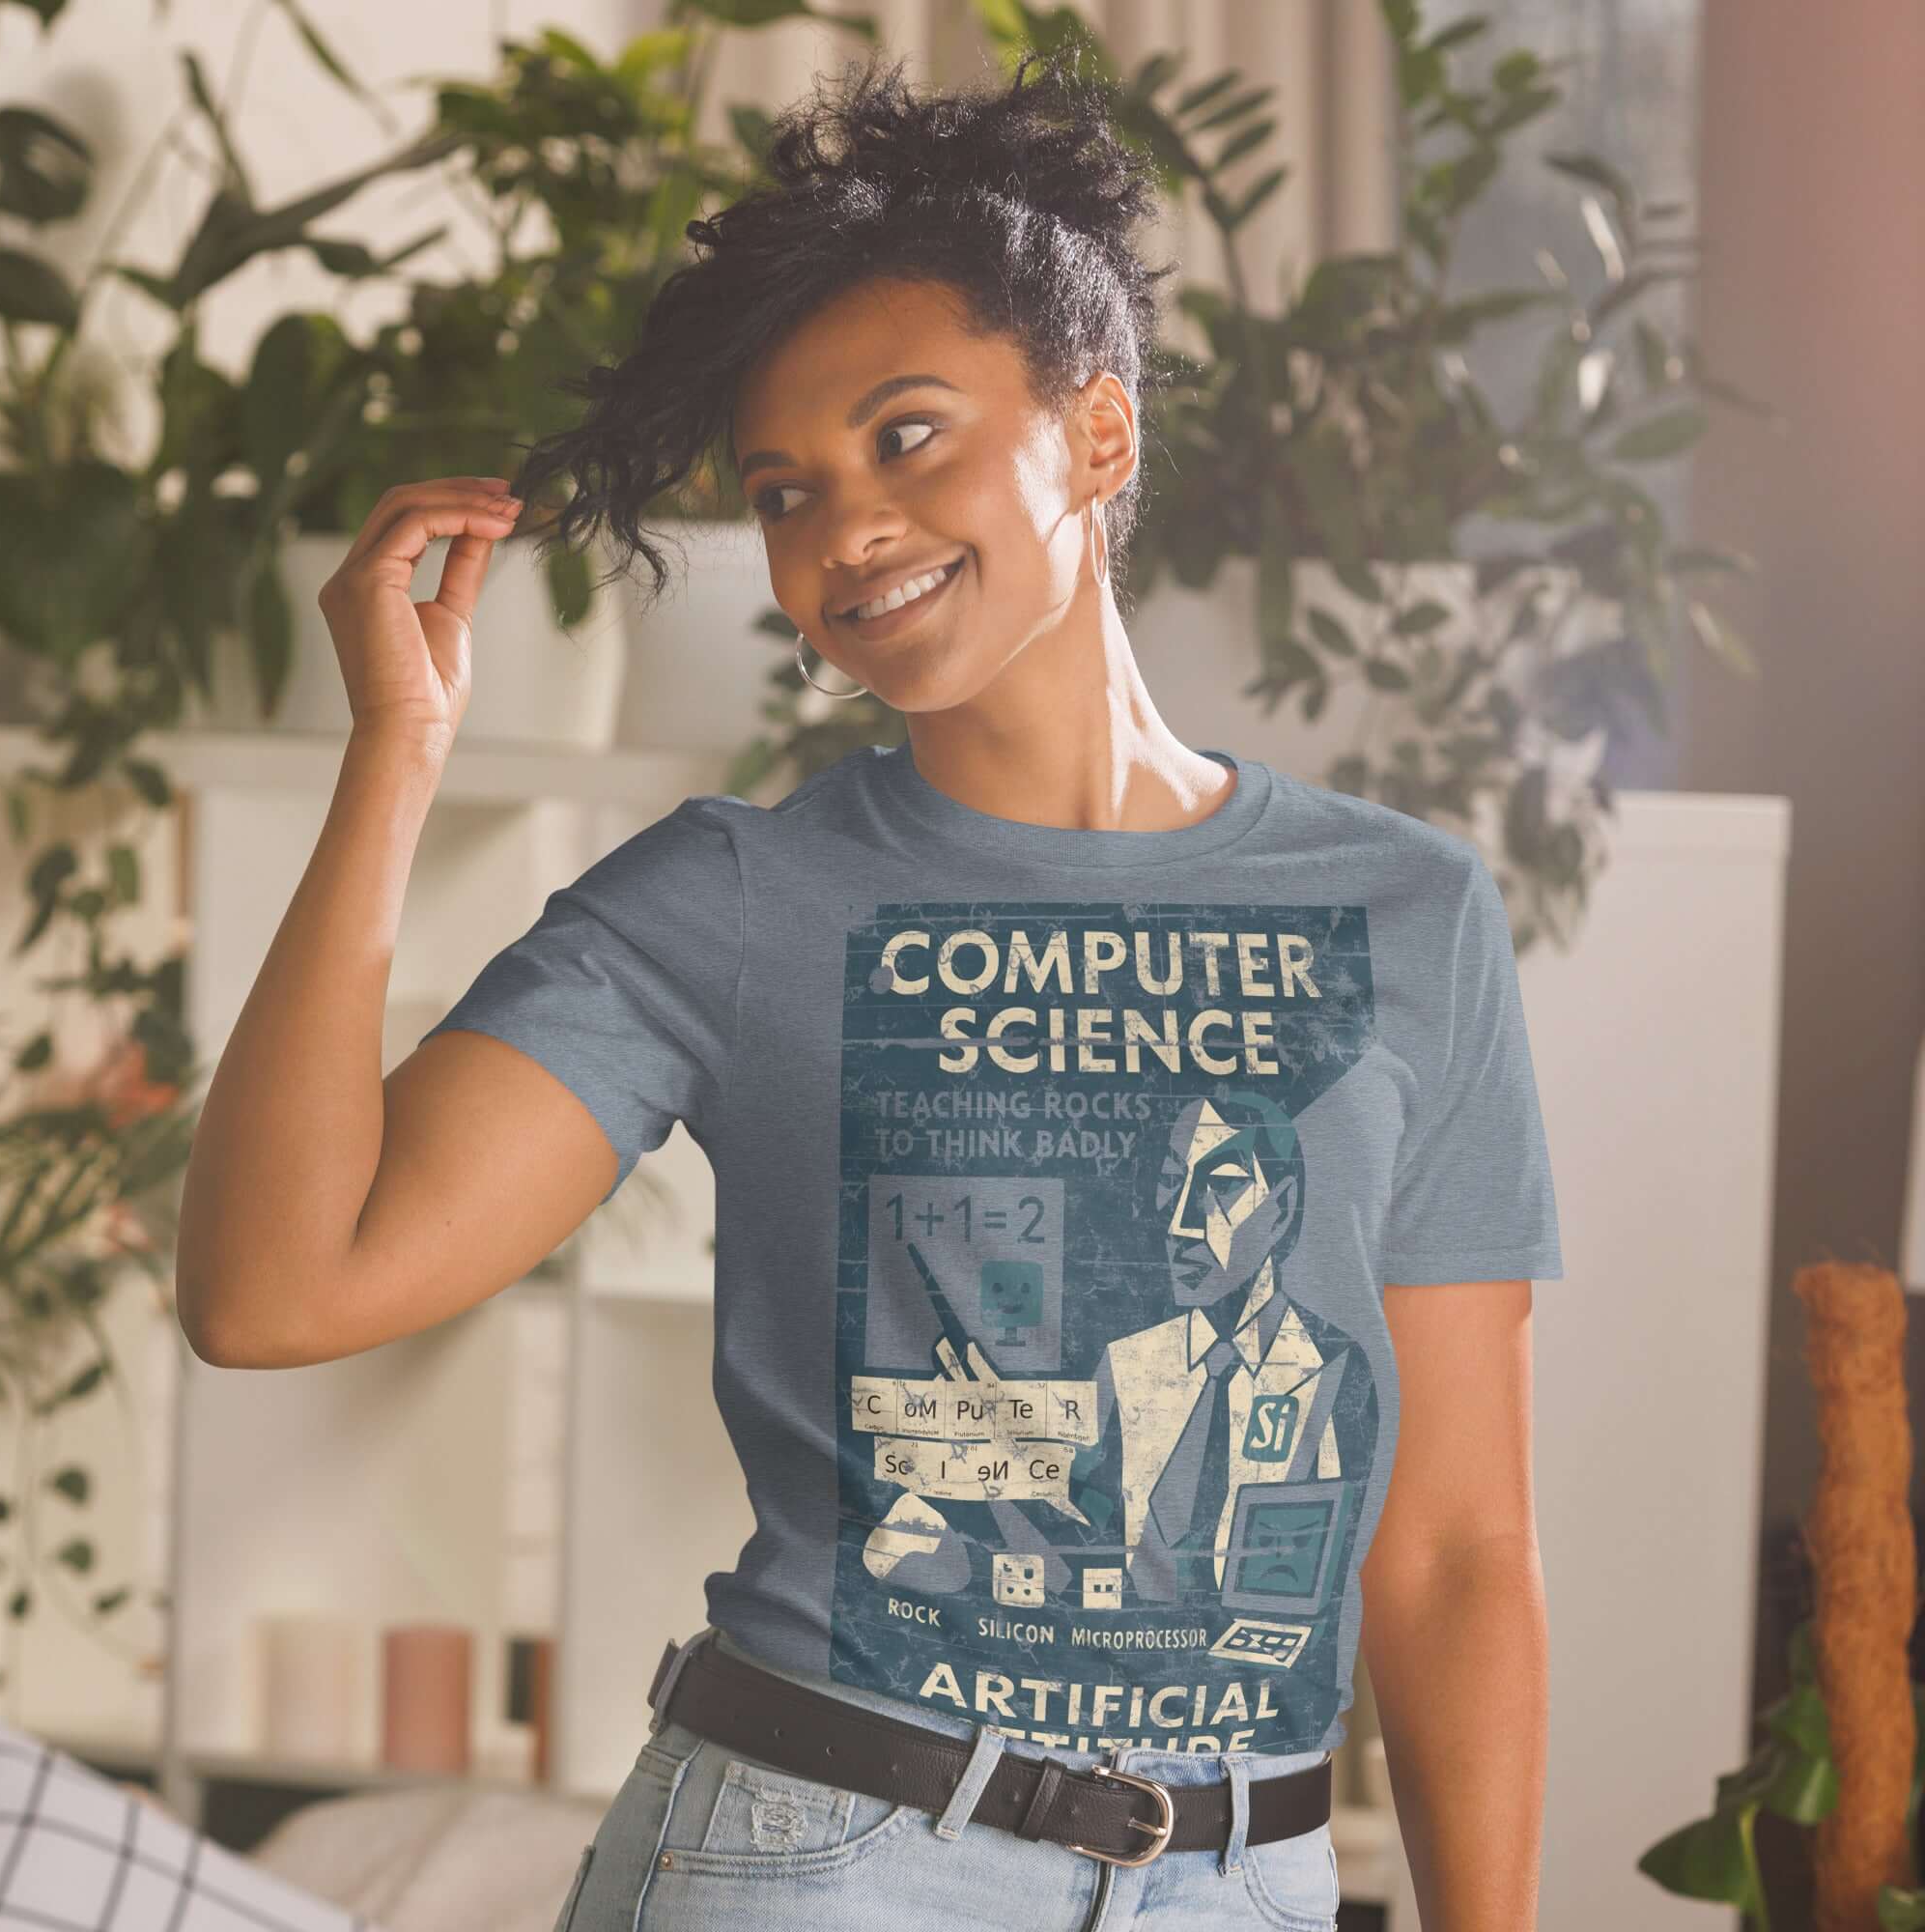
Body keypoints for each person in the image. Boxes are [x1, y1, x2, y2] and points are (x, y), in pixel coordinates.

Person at [175, 43, 1565, 1932]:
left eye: (905, 435)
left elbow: (1459, 1547)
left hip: (1250, 1880)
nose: (840, 535)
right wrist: (397, 757)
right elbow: (274, 1289)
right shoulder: (734, 903)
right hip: (825, 1859)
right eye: (782, 491)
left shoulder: (1405, 911)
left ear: (1096, 432)